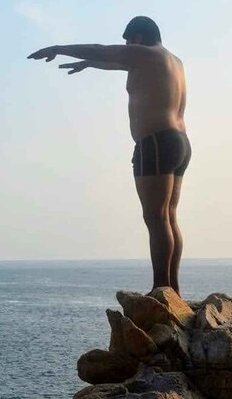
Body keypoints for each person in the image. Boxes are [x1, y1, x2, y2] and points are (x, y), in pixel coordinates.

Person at [28, 16, 191, 294]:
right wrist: (90, 64)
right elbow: (111, 61)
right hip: (179, 142)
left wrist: (58, 47)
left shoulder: (143, 53)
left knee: (155, 218)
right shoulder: (172, 61)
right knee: (169, 216)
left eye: (128, 41)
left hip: (155, 142)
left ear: (137, 38)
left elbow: (99, 49)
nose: (125, 46)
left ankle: (161, 287)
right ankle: (172, 288)